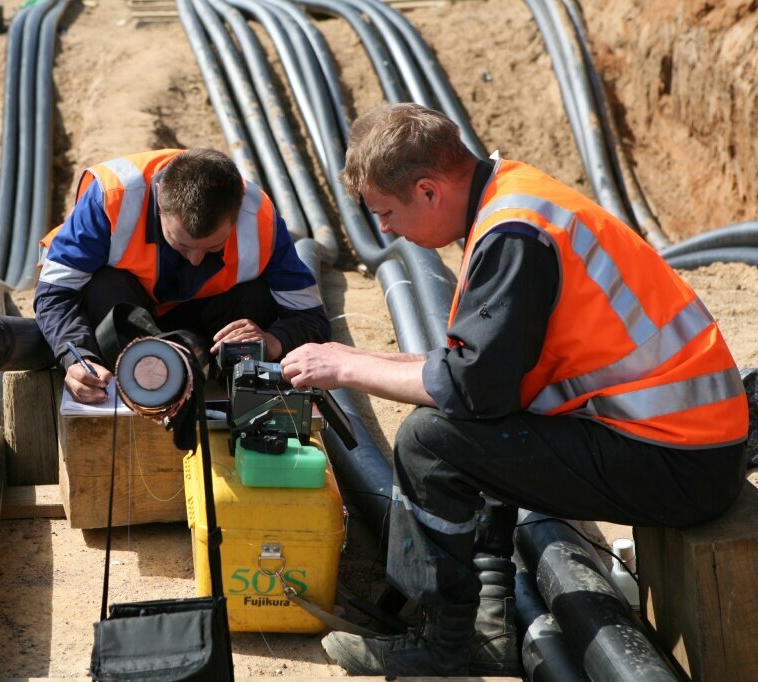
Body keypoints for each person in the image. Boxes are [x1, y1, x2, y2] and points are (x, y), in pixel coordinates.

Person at [280, 103, 748, 677]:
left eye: (386, 212)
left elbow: (472, 389)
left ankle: (446, 641)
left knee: (431, 442)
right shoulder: (516, 197)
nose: (385, 231)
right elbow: (480, 371)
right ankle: (491, 619)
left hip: (678, 465)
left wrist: (348, 370)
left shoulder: (512, 235)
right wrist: (353, 355)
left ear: (428, 191)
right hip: (691, 445)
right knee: (475, 430)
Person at [36, 147, 331, 403]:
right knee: (102, 287)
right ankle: (146, 373)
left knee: (255, 296)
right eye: (181, 245)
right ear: (160, 207)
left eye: (214, 247)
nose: (195, 259)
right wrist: (77, 358)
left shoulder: (260, 219)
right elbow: (55, 295)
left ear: (236, 214)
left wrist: (270, 340)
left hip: (210, 330)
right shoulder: (111, 198)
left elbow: (312, 320)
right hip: (126, 319)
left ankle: (208, 373)